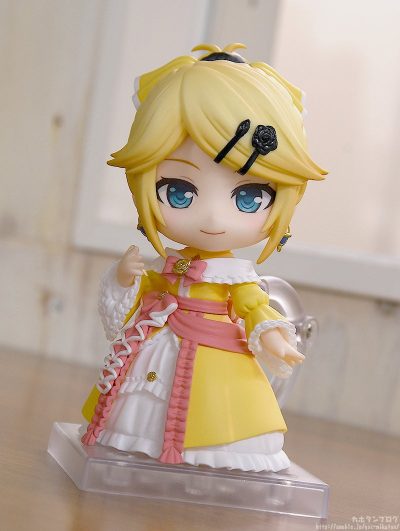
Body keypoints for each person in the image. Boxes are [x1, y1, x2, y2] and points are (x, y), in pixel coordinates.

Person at [81, 43, 326, 472]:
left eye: (249, 197)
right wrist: (124, 279)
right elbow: (145, 294)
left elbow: (253, 306)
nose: (213, 217)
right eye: (180, 192)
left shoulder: (236, 276)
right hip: (156, 347)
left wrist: (271, 336)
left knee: (214, 419)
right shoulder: (170, 265)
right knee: (139, 416)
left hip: (217, 358)